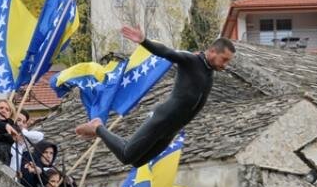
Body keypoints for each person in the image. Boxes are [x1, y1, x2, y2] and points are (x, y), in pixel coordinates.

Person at [75, 25, 235, 166]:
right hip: (163, 118)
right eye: (224, 59)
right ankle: (98, 127)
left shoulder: (209, 73)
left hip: (172, 129)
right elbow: (167, 52)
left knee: (137, 162)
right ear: (213, 51)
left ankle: (108, 134)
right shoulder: (191, 60)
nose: (225, 65)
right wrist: (144, 41)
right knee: (125, 155)